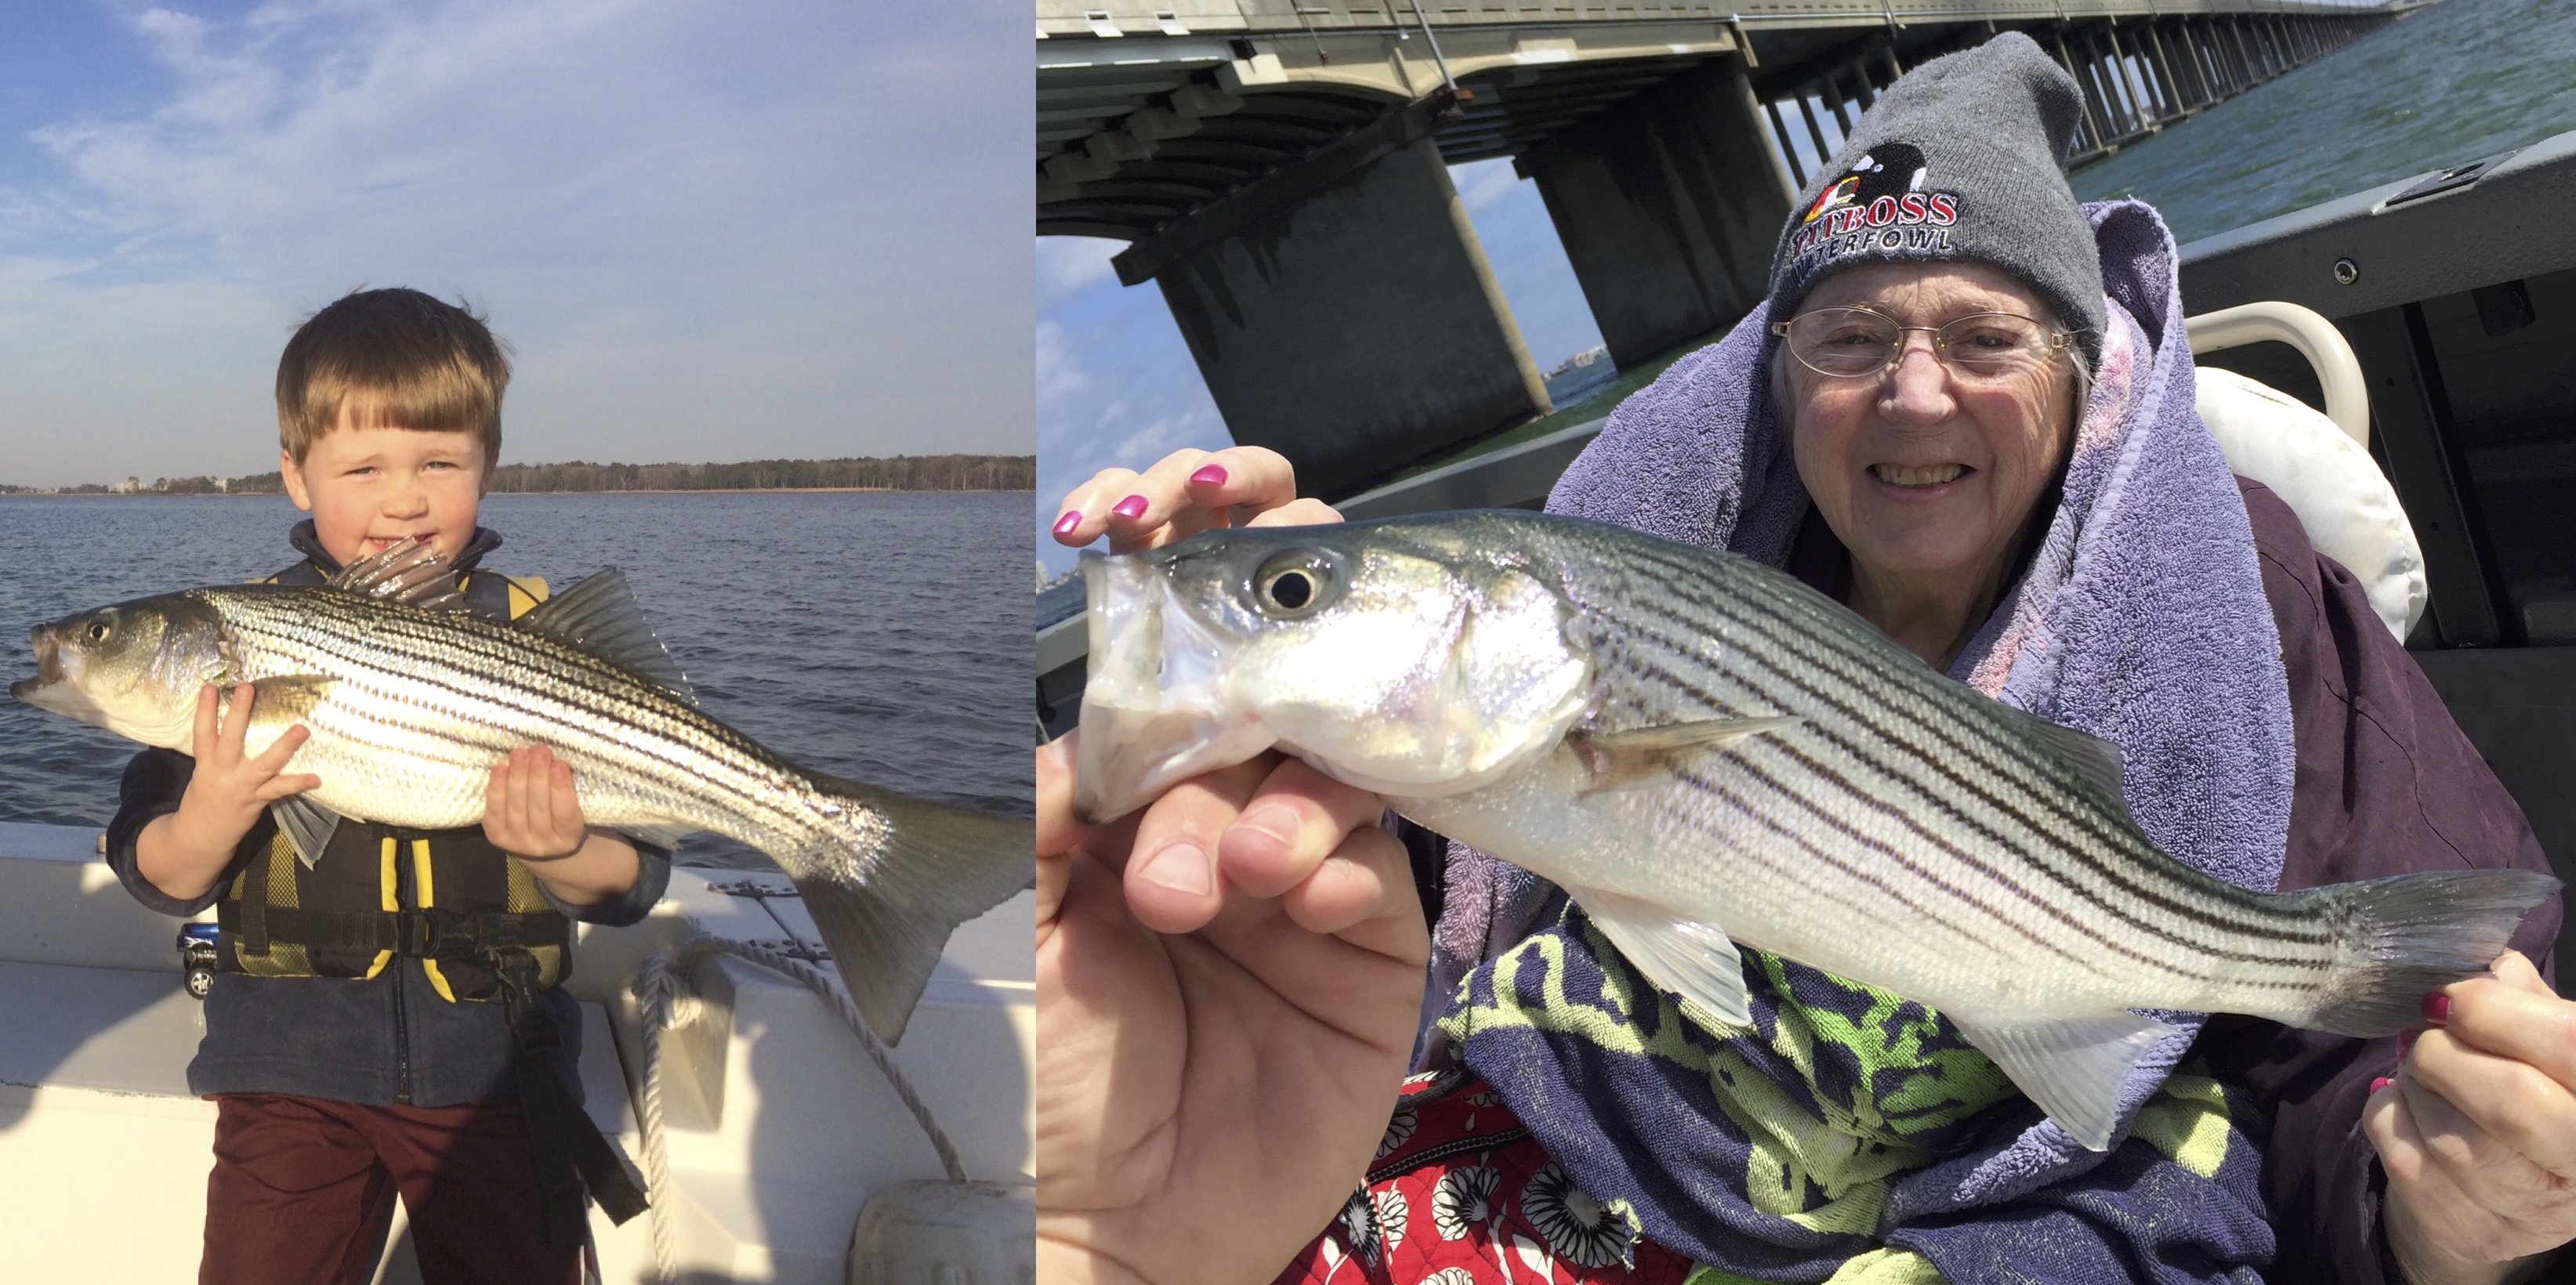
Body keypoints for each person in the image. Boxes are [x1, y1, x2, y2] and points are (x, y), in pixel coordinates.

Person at [1038, 33, 2576, 1285]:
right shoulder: (1650, 572)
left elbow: (2326, 1109)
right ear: (1776, 376)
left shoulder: (2231, 607)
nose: (1911, 395)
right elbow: (1430, 923)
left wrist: (2436, 1224)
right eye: (1844, 341)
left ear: (2078, 367)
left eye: (1983, 335)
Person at [106, 288, 668, 1284]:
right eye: (362, 468)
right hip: (283, 1077)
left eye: (439, 464)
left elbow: (632, 883)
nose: (403, 499)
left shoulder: (538, 633)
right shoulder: (235, 644)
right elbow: (155, 868)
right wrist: (210, 812)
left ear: (486, 468)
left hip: (496, 1072)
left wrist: (564, 851)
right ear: (295, 474)